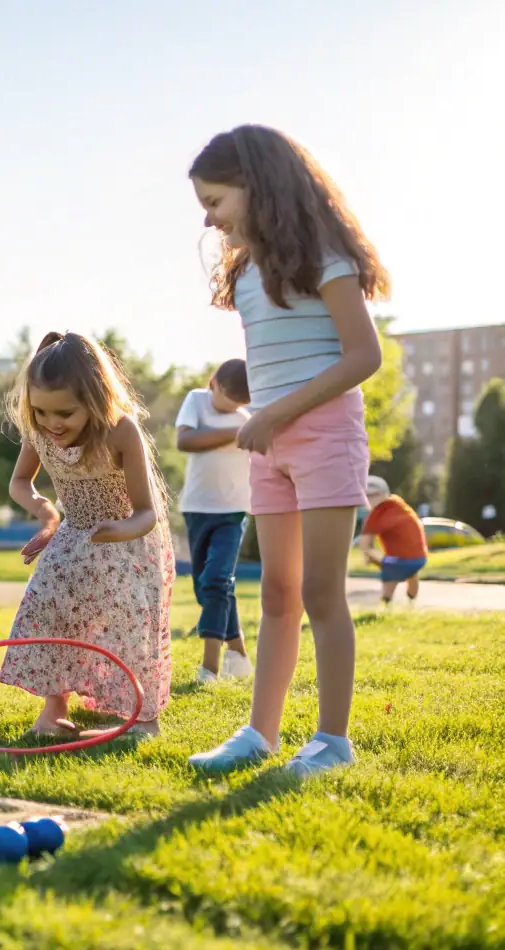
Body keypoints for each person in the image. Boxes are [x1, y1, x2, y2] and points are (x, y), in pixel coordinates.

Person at [186, 125, 390, 778]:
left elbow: (364, 355)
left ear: (257, 186)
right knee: (276, 592)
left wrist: (273, 412)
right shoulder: (246, 269)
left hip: (322, 436)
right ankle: (258, 732)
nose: (207, 216)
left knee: (322, 591)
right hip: (268, 447)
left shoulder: (323, 256)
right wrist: (264, 421)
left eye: (215, 200)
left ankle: (332, 742)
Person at [0, 332, 175, 738]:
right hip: (74, 534)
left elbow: (147, 512)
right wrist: (47, 516)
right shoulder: (39, 432)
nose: (51, 423)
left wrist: (120, 530)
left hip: (126, 540)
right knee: (49, 608)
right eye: (40, 411)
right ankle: (53, 712)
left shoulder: (120, 432)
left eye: (64, 413)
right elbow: (20, 483)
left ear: (95, 400)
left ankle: (143, 719)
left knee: (129, 624)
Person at [176, 358, 254, 683]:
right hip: (197, 507)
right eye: (228, 399)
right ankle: (239, 653)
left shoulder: (248, 420)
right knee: (206, 588)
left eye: (239, 405)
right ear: (214, 384)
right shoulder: (196, 400)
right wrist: (236, 432)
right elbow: (186, 441)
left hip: (233, 511)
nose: (233, 408)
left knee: (217, 581)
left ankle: (210, 668)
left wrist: (242, 426)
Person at [358, 475, 427, 607]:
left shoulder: (377, 514)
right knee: (411, 573)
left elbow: (364, 544)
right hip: (420, 557)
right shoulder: (398, 503)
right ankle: (411, 604)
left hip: (399, 560)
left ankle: (386, 604)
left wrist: (373, 559)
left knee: (390, 577)